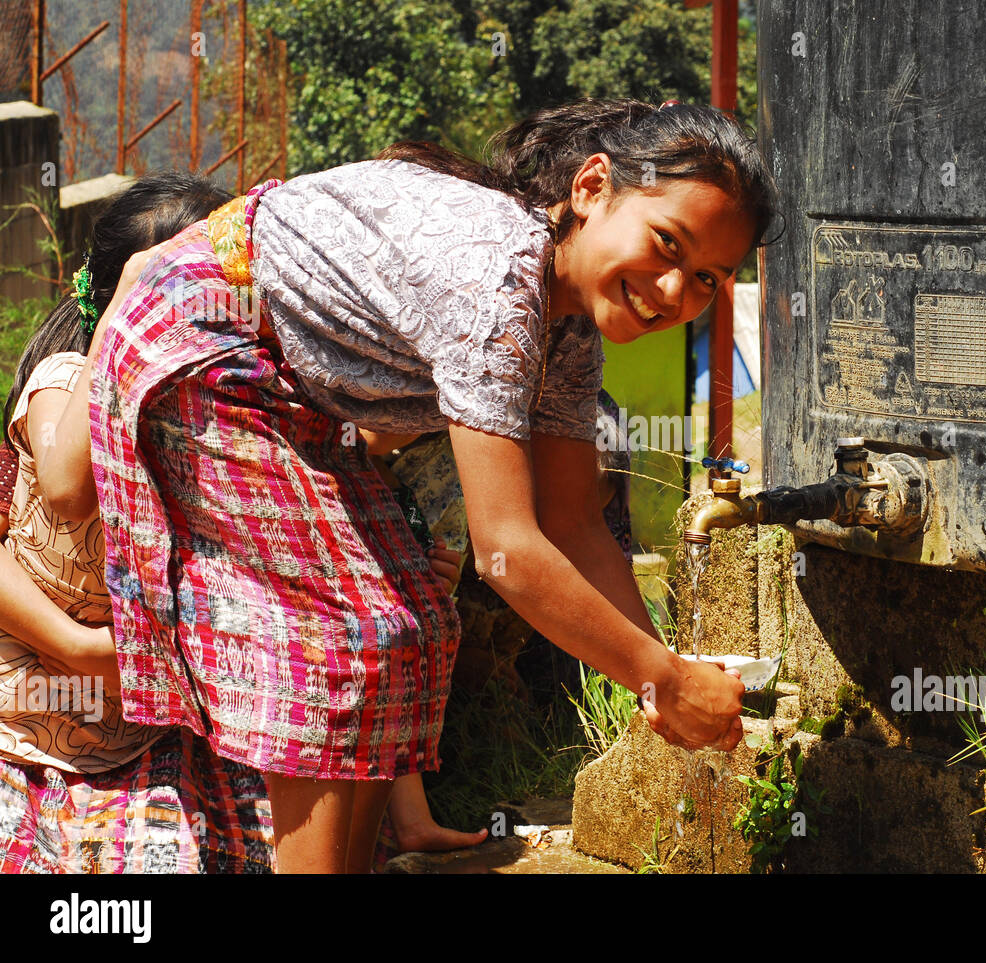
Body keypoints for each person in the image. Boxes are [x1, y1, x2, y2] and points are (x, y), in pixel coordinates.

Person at [73, 98, 777, 873]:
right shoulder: (498, 285)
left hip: (292, 381)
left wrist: (660, 671)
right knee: (343, 639)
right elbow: (506, 551)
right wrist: (664, 678)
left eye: (708, 278)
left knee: (413, 623)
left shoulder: (569, 330)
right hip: (204, 337)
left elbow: (574, 523)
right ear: (591, 188)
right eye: (667, 244)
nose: (675, 291)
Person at [0, 173, 276, 872]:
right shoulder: (64, 382)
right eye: (166, 295)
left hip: (139, 724)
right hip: (22, 711)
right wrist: (81, 648)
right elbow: (66, 490)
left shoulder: (212, 418)